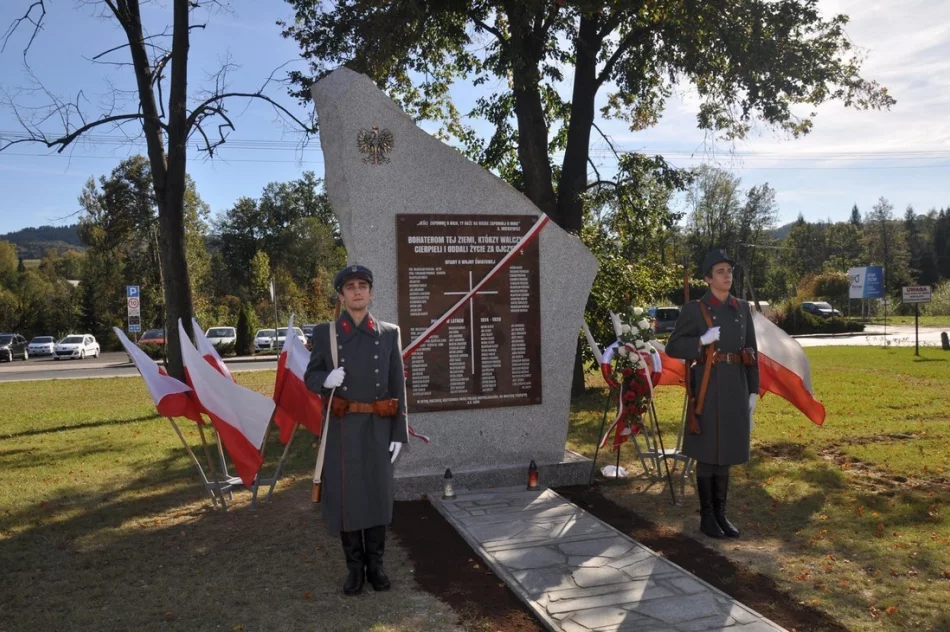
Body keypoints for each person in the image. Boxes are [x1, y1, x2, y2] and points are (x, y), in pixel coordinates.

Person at [305, 264, 409, 595]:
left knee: (377, 495)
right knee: (347, 498)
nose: (357, 291)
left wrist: (398, 432)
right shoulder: (326, 334)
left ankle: (376, 566)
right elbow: (310, 376)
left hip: (379, 426)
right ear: (341, 295)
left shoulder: (389, 333)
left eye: (363, 285)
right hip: (341, 428)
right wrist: (324, 379)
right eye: (350, 287)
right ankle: (354, 568)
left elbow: (397, 385)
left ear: (371, 292)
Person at [665, 249, 759, 539]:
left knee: (726, 452)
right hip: (708, 387)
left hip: (735, 386)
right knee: (708, 454)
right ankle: (707, 517)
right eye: (719, 271)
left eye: (729, 270)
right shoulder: (695, 310)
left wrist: (753, 391)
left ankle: (721, 513)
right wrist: (701, 341)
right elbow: (673, 347)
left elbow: (751, 352)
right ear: (707, 278)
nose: (727, 275)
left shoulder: (742, 308)